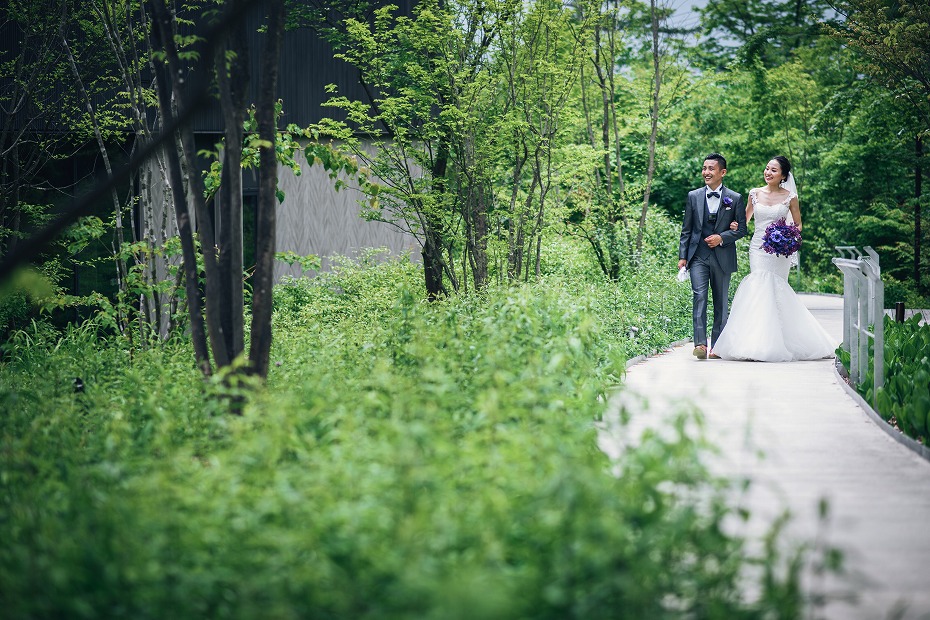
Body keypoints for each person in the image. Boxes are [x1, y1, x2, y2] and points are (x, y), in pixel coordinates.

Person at [710, 156, 837, 362]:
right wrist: (734, 226)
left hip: (780, 250)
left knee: (776, 289)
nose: (768, 172)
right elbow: (744, 220)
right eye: (767, 168)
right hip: (758, 247)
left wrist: (786, 235)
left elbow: (798, 225)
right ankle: (753, 342)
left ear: (783, 176)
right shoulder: (754, 193)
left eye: (774, 170)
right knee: (759, 285)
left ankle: (781, 341)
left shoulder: (790, 197)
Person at [678, 153, 748, 360]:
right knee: (699, 296)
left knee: (721, 302)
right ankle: (700, 344)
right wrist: (683, 256)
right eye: (704, 168)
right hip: (698, 256)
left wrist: (722, 237)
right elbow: (686, 229)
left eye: (711, 169)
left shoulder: (734, 199)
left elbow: (741, 229)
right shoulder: (693, 196)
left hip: (722, 257)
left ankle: (717, 346)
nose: (706, 172)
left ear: (722, 172)